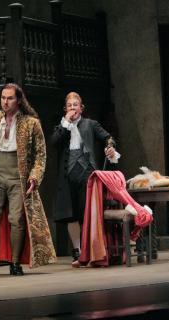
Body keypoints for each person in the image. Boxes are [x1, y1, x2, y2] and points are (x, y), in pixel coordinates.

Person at [0, 83, 56, 277]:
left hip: (18, 177)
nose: (5, 102)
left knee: (16, 219)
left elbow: (41, 154)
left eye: (10, 98)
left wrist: (35, 176)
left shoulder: (31, 123)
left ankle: (15, 262)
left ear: (18, 100)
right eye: (3, 98)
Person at [50, 92, 119, 266]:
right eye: (70, 105)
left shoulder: (90, 124)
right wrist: (65, 122)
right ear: (65, 109)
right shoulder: (61, 127)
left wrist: (110, 147)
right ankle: (77, 252)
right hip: (67, 176)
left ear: (82, 108)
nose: (73, 107)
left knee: (87, 213)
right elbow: (54, 142)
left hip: (87, 173)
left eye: (76, 104)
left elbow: (108, 137)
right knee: (70, 214)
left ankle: (91, 251)